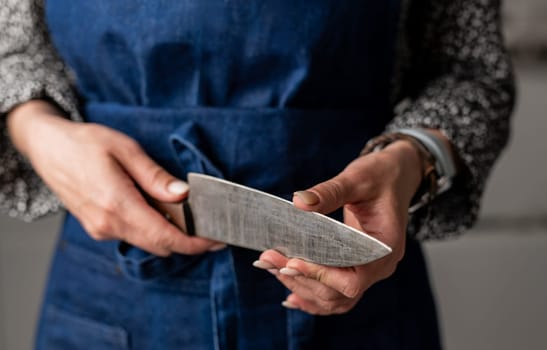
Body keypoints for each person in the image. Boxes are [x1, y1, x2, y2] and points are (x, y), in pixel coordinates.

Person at [0, 0, 514, 349]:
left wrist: (414, 158)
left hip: (354, 291)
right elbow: (10, 49)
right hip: (109, 294)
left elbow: (470, 71)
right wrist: (35, 129)